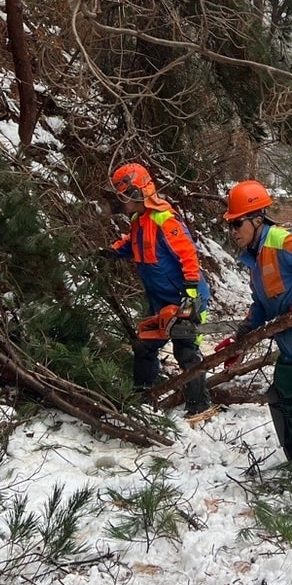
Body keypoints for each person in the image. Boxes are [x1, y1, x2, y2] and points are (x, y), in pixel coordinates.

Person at [215, 180, 292, 482]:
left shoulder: (281, 240)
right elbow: (261, 306)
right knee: (279, 395)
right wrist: (239, 342)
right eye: (230, 225)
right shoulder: (255, 261)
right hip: (289, 341)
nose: (233, 231)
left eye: (237, 224)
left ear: (257, 220)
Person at [107, 162, 212, 415]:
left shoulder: (165, 219)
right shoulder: (138, 219)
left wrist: (189, 290)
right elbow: (133, 242)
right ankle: (143, 396)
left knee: (185, 349)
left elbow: (188, 253)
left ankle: (199, 406)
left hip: (181, 296)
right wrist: (113, 251)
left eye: (124, 195)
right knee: (144, 346)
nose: (121, 201)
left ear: (137, 192)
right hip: (158, 299)